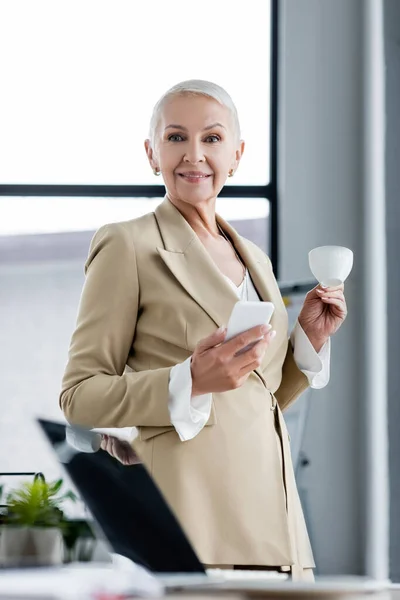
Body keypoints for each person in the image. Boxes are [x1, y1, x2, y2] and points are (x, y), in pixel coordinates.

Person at [59, 80, 347, 580]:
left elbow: (255, 400)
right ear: (152, 153)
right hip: (190, 528)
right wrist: (188, 379)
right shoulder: (127, 245)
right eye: (176, 138)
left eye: (212, 139)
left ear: (236, 155)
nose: (194, 155)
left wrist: (307, 342)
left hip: (277, 533)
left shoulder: (254, 259)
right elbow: (80, 396)